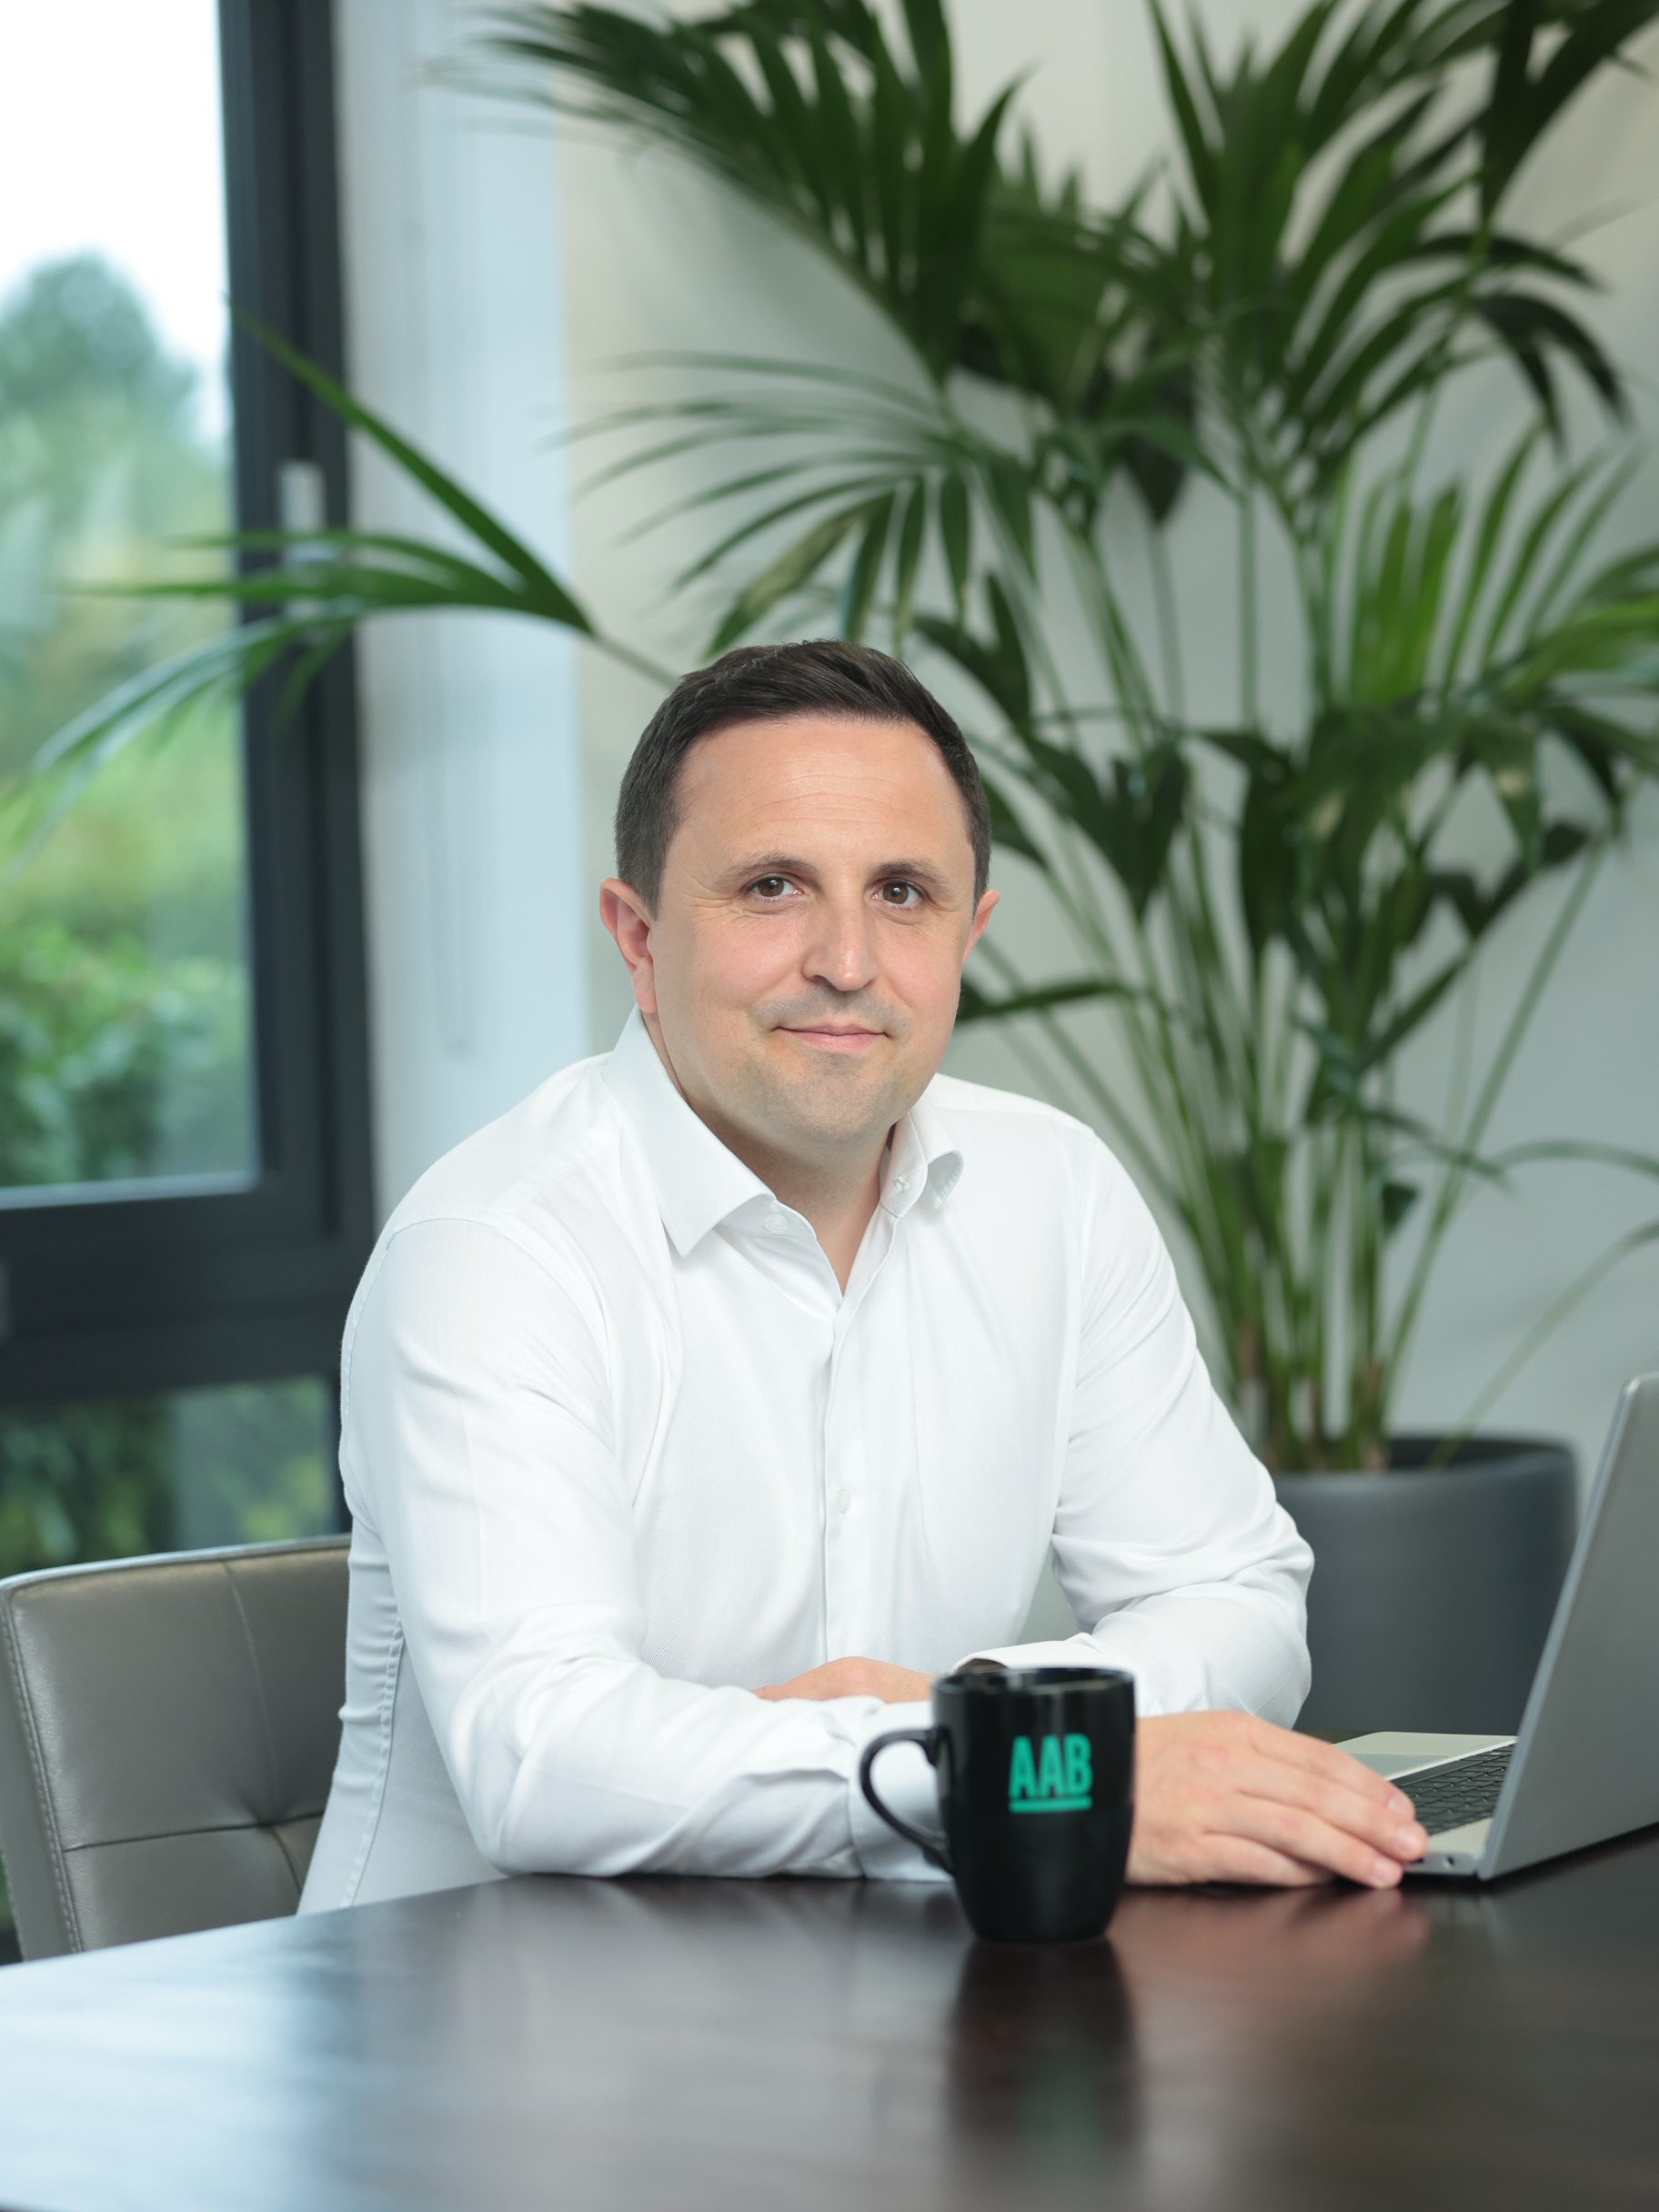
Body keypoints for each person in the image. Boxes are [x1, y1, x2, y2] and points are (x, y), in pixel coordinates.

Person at [298, 639, 1428, 1914]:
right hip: (476, 2043)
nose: (846, 958)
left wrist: (971, 1719)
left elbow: (1236, 1600)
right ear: (638, 934)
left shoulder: (1053, 1189)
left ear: (970, 934)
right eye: (773, 887)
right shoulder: (495, 1248)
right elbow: (544, 1758)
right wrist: (1003, 1769)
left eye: (902, 893)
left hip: (881, 1997)